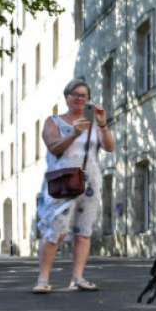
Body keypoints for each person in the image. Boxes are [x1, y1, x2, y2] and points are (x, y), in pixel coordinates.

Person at [34, 79, 115, 293]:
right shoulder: (53, 122)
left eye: (84, 95)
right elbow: (54, 148)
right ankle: (43, 279)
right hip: (62, 182)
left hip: (90, 181)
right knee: (55, 230)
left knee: (84, 231)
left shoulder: (94, 124)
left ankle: (78, 277)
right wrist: (74, 133)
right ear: (67, 97)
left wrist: (103, 124)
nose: (80, 98)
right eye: (75, 94)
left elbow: (110, 147)